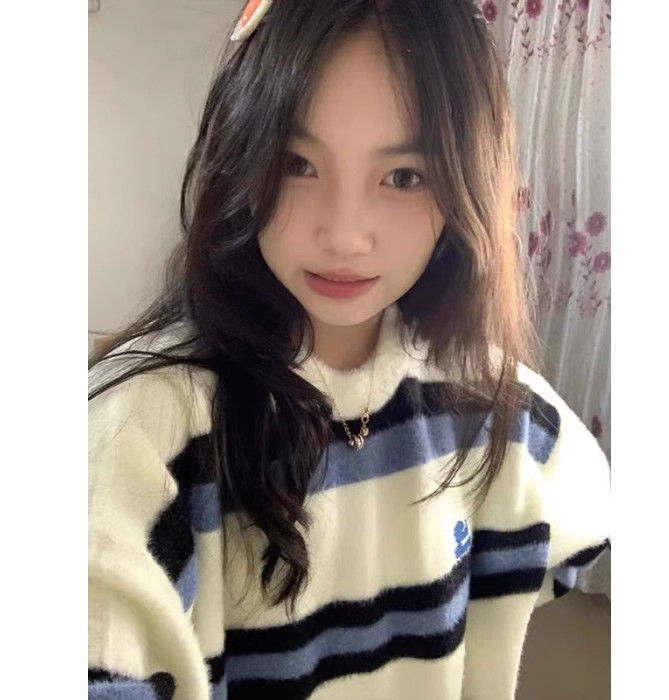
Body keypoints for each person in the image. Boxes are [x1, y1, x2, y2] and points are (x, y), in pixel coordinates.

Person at [88, 1, 610, 698]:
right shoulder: (145, 429)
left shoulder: (491, 399)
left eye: (404, 176)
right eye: (297, 164)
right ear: (238, 161)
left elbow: (579, 523)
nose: (344, 234)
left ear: (464, 188)